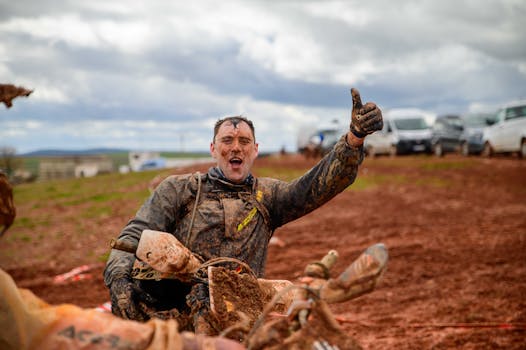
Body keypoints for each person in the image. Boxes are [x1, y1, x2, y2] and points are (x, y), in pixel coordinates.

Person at [104, 88, 383, 327]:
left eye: (244, 141)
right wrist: (119, 283)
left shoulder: (267, 197)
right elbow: (130, 240)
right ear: (213, 149)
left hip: (237, 320)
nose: (236, 148)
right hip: (173, 318)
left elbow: (318, 185)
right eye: (227, 141)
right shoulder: (179, 189)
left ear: (255, 149)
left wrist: (354, 139)